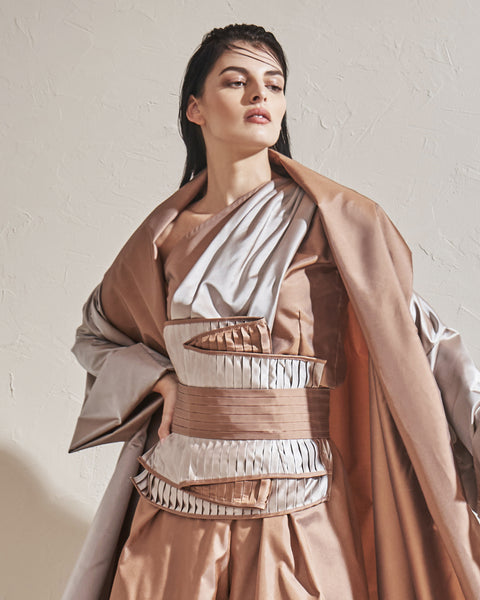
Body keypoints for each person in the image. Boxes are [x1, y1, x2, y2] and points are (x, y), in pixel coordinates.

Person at [62, 24, 480, 600]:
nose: (260, 94)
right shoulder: (160, 239)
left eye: (274, 84)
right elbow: (96, 336)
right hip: (177, 503)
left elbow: (420, 342)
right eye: (237, 81)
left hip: (299, 511)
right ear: (195, 108)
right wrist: (158, 379)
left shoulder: (334, 222)